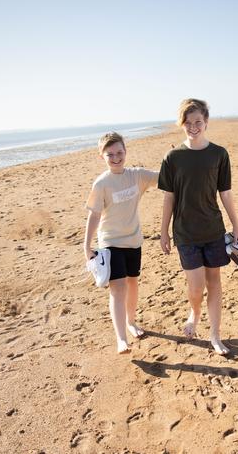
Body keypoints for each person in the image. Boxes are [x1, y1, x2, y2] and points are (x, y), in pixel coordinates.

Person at [158, 98, 238, 356]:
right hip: (185, 233)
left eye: (198, 122)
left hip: (213, 231)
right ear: (181, 124)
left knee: (214, 282)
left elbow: (226, 194)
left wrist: (237, 226)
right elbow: (169, 197)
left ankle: (215, 335)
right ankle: (194, 312)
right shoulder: (172, 157)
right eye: (188, 122)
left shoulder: (219, 154)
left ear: (206, 122)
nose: (193, 126)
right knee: (196, 286)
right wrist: (164, 231)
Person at [84, 132, 159, 354]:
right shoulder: (101, 183)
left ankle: (132, 321)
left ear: (126, 151)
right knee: (117, 289)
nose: (116, 158)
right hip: (110, 242)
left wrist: (182, 155)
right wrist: (86, 246)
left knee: (132, 283)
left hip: (134, 240)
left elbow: (166, 175)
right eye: (110, 154)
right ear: (102, 156)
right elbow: (94, 215)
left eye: (119, 152)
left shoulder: (137, 176)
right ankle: (121, 339)